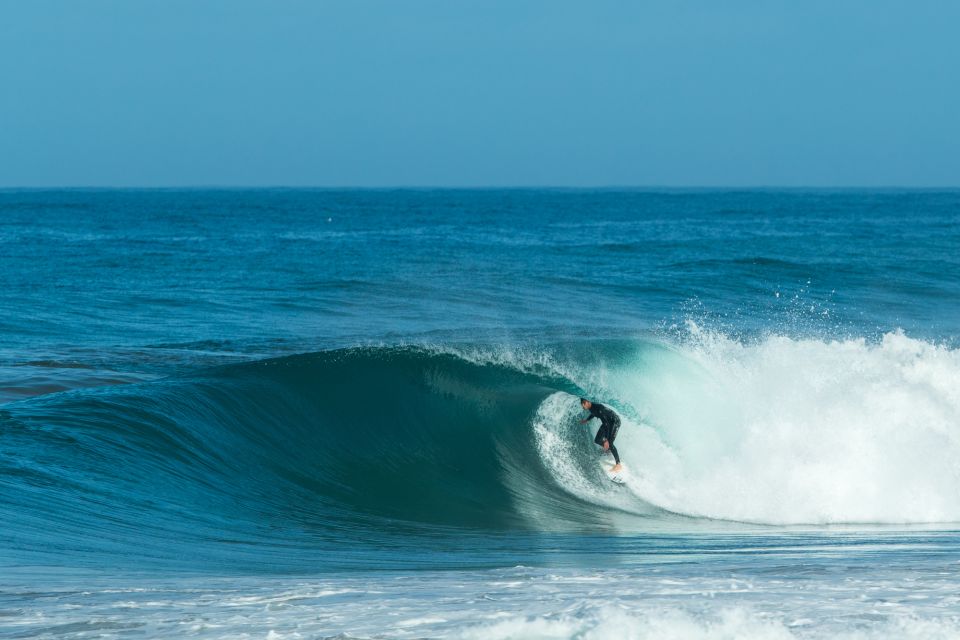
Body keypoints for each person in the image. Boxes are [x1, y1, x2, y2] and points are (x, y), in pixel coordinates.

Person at [579, 398, 622, 472]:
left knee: (610, 442)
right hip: (607, 422)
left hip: (615, 422)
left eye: (583, 406)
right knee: (597, 440)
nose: (583, 408)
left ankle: (618, 464)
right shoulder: (591, 408)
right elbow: (593, 414)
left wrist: (605, 440)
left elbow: (606, 425)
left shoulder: (599, 409)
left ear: (586, 402)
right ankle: (608, 450)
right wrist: (587, 420)